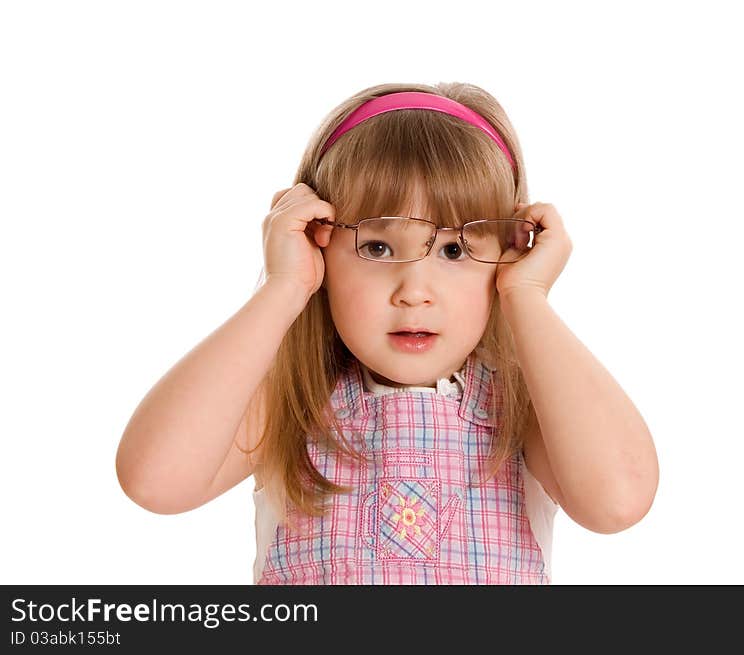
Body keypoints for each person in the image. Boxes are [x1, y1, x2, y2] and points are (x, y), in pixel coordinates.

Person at [115, 82, 659, 585]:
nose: (414, 290)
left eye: (454, 250)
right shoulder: (293, 403)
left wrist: (527, 297)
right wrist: (285, 286)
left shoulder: (523, 406)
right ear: (318, 248)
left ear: (508, 253)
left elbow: (618, 501)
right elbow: (155, 482)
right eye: (376, 247)